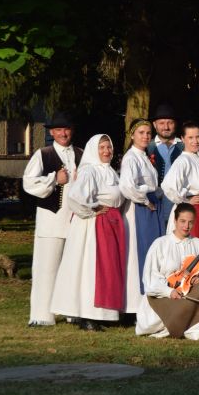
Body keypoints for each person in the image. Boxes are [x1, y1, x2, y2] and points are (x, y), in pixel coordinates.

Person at [50, 134, 126, 331]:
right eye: (102, 147)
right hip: (92, 226)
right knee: (91, 269)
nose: (106, 151)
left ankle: (102, 313)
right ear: (93, 150)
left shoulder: (110, 172)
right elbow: (75, 196)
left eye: (109, 147)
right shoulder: (89, 171)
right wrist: (93, 208)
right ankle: (87, 315)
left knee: (106, 268)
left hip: (109, 223)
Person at [22, 112, 83, 326]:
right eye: (58, 130)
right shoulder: (43, 154)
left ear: (72, 130)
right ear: (51, 132)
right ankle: (41, 315)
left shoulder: (81, 154)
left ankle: (72, 312)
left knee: (74, 268)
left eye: (66, 129)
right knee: (46, 268)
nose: (63, 133)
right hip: (52, 219)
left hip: (77, 220)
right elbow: (28, 182)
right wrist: (54, 179)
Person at [136, 203, 199, 339]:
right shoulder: (160, 243)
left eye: (190, 222)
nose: (186, 226)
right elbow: (150, 278)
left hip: (189, 293)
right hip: (164, 296)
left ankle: (196, 328)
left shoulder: (197, 243)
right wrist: (169, 291)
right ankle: (179, 325)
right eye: (182, 221)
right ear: (175, 220)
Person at [120, 119, 165, 314]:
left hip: (150, 206)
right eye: (141, 133)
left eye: (148, 133)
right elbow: (127, 186)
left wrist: (158, 194)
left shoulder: (144, 156)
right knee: (137, 252)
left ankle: (148, 302)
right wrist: (145, 200)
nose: (145, 136)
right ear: (132, 135)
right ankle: (134, 305)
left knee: (150, 252)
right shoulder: (131, 158)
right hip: (138, 209)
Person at [161, 121, 199, 265]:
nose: (195, 141)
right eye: (190, 137)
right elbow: (168, 185)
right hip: (194, 211)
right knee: (193, 252)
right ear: (183, 139)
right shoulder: (183, 160)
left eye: (198, 137)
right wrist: (185, 200)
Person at [147, 104, 183, 224]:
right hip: (153, 208)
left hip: (179, 208)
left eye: (170, 123)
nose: (166, 127)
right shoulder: (146, 147)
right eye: (162, 123)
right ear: (154, 124)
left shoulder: (185, 146)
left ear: (175, 124)